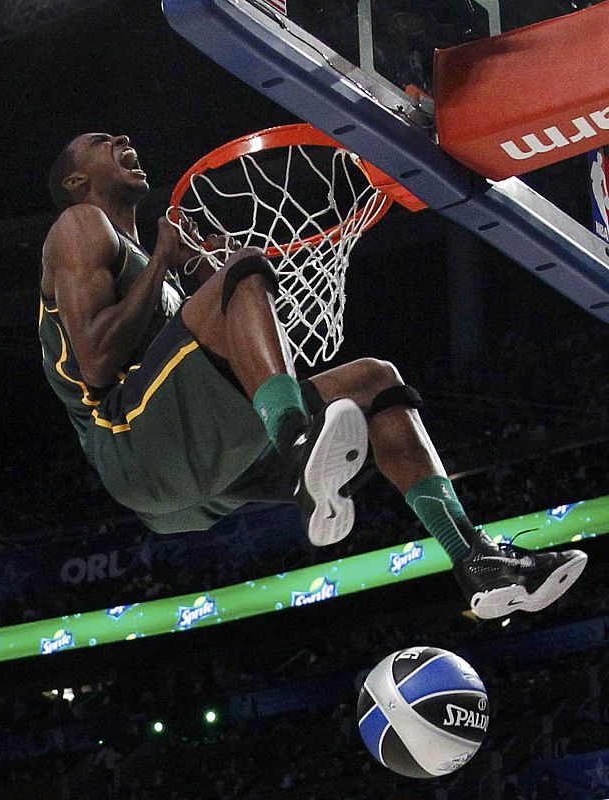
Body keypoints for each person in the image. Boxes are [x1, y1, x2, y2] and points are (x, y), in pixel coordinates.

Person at [40, 131, 587, 620]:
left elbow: (203, 340)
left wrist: (190, 267)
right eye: (102, 141)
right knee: (243, 270)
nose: (123, 137)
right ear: (76, 179)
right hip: (129, 444)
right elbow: (95, 362)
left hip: (187, 478)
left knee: (376, 379)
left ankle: (474, 557)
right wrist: (166, 260)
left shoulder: (154, 274)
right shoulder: (80, 224)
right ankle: (297, 442)